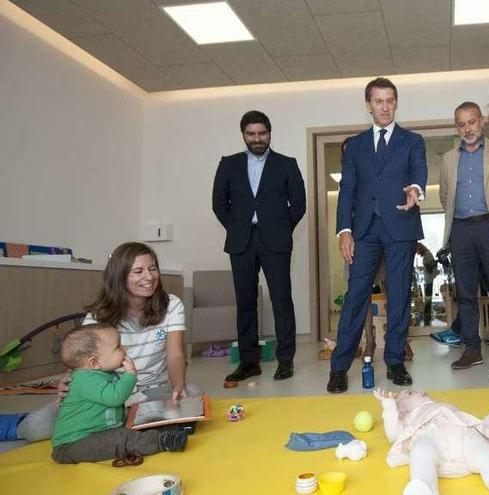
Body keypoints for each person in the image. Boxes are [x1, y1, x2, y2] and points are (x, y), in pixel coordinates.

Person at [17, 242, 201, 442]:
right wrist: (69, 382)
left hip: (150, 391)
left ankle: (127, 420)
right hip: (104, 394)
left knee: (192, 392)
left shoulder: (171, 304)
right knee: (35, 429)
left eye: (153, 269)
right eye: (138, 271)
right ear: (120, 277)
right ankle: (17, 423)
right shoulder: (98, 316)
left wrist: (178, 388)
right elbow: (82, 363)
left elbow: (175, 354)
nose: (149, 277)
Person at [328, 77, 428, 393]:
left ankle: (395, 361)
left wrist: (417, 189)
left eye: (389, 101)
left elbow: (419, 173)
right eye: (378, 101)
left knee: (399, 296)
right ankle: (339, 367)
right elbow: (347, 191)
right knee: (356, 296)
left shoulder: (413, 141)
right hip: (365, 231)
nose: (384, 107)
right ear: (369, 105)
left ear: (395, 103)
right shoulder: (355, 145)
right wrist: (344, 230)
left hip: (401, 225)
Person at [212, 110, 306, 382]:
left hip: (275, 240)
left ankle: (285, 361)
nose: (257, 139)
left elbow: (298, 204)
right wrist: (237, 225)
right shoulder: (228, 164)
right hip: (241, 241)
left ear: (269, 134)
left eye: (262, 133)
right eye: (251, 134)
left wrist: (281, 226)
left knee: (281, 301)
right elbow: (219, 203)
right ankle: (249, 361)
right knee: (245, 303)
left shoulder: (287, 164)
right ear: (243, 135)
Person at [437, 101, 489, 370]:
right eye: (461, 124)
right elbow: (445, 196)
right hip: (461, 230)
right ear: (456, 127)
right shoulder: (448, 159)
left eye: (471, 122)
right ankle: (471, 349)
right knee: (465, 293)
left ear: (481, 121)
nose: (467, 128)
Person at [51, 324, 187, 464]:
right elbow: (115, 398)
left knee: (131, 427)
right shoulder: (86, 379)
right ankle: (160, 441)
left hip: (96, 434)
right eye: (118, 347)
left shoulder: (101, 373)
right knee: (122, 439)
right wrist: (130, 375)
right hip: (73, 444)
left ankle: (159, 432)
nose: (125, 350)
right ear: (94, 361)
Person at [374, 388, 489, 495]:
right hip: (430, 436)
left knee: (486, 454)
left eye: (417, 390)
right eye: (410, 394)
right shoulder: (410, 418)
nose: (419, 392)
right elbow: (393, 434)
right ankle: (424, 488)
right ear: (402, 411)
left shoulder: (447, 408)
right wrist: (389, 408)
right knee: (421, 451)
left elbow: (480, 424)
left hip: (464, 434)